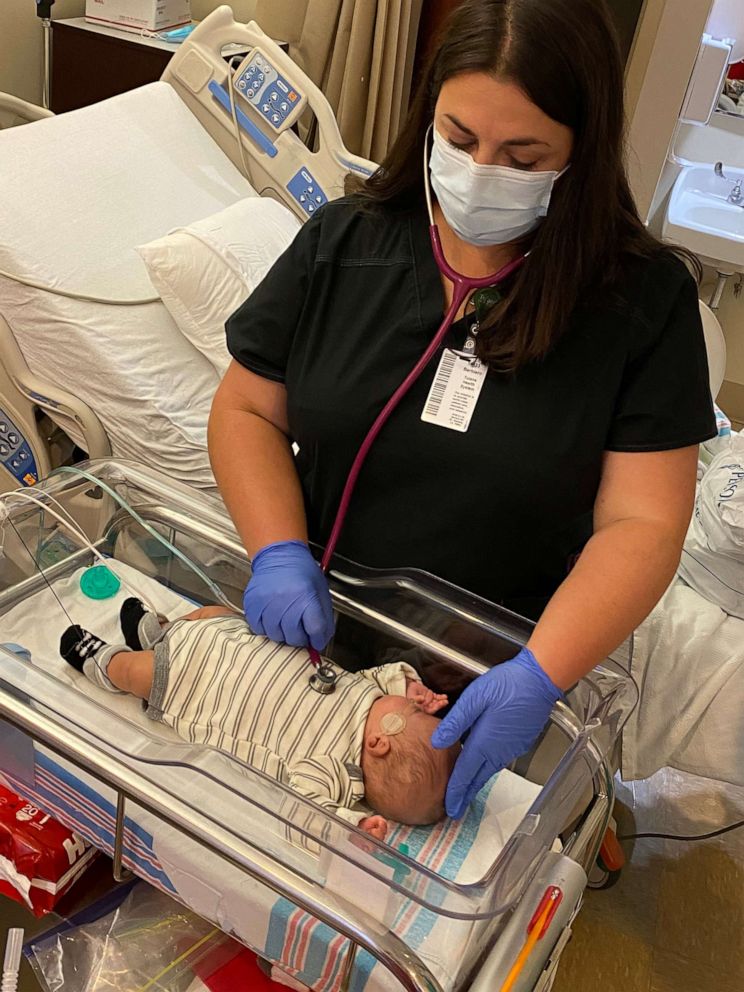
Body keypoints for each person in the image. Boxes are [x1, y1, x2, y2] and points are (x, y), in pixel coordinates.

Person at [208, 0, 717, 819]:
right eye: (459, 139)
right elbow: (246, 411)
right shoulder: (345, 243)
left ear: (580, 155)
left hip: (491, 678)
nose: (482, 171)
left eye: (523, 155)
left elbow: (644, 525)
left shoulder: (643, 305)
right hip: (313, 638)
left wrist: (540, 673)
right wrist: (274, 552)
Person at [58, 599, 460, 840]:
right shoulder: (369, 694)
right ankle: (159, 632)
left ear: (380, 742)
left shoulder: (337, 769)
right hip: (236, 644)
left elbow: (305, 811)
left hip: (195, 686)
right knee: (212, 614)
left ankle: (105, 663)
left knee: (139, 675)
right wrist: (407, 683)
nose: (415, 705)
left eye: (412, 712)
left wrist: (348, 831)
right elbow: (378, 674)